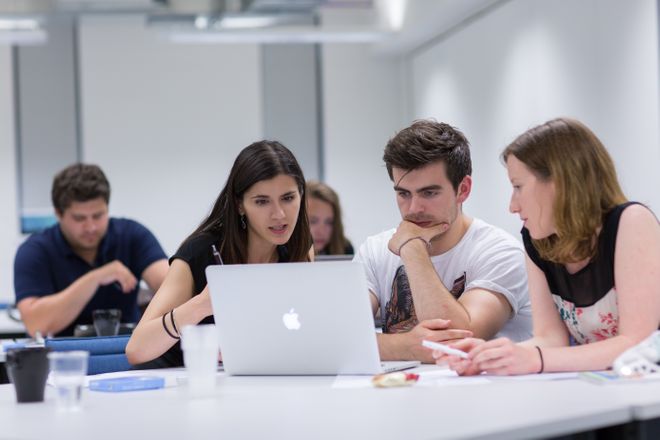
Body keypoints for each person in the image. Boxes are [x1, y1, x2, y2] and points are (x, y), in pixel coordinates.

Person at [437, 117, 660, 375]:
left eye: (518, 186)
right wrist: (492, 356)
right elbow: (550, 339)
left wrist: (535, 360)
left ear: (560, 183)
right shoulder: (538, 240)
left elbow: (636, 343)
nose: (512, 205)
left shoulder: (632, 222)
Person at [354, 120, 532, 364]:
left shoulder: (500, 252)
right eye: (403, 193)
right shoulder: (374, 250)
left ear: (463, 189)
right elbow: (339, 337)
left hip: (483, 397)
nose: (414, 208)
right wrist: (406, 346)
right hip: (399, 395)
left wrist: (413, 249)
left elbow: (456, 342)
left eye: (429, 193)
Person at [125, 140, 313, 367]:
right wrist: (200, 305)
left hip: (253, 381)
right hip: (183, 381)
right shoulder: (199, 251)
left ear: (301, 195)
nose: (279, 214)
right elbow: (136, 349)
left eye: (288, 198)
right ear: (240, 205)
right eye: (262, 202)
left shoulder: (299, 248)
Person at [14, 163, 168, 337]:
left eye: (98, 215)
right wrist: (96, 278)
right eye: (79, 218)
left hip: (126, 352)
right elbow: (36, 325)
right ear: (58, 213)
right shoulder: (35, 251)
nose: (91, 227)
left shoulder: (133, 236)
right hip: (60, 358)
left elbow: (174, 287)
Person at [306, 180, 354, 255]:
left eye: (329, 222)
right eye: (313, 221)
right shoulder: (283, 251)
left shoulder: (345, 248)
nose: (321, 232)